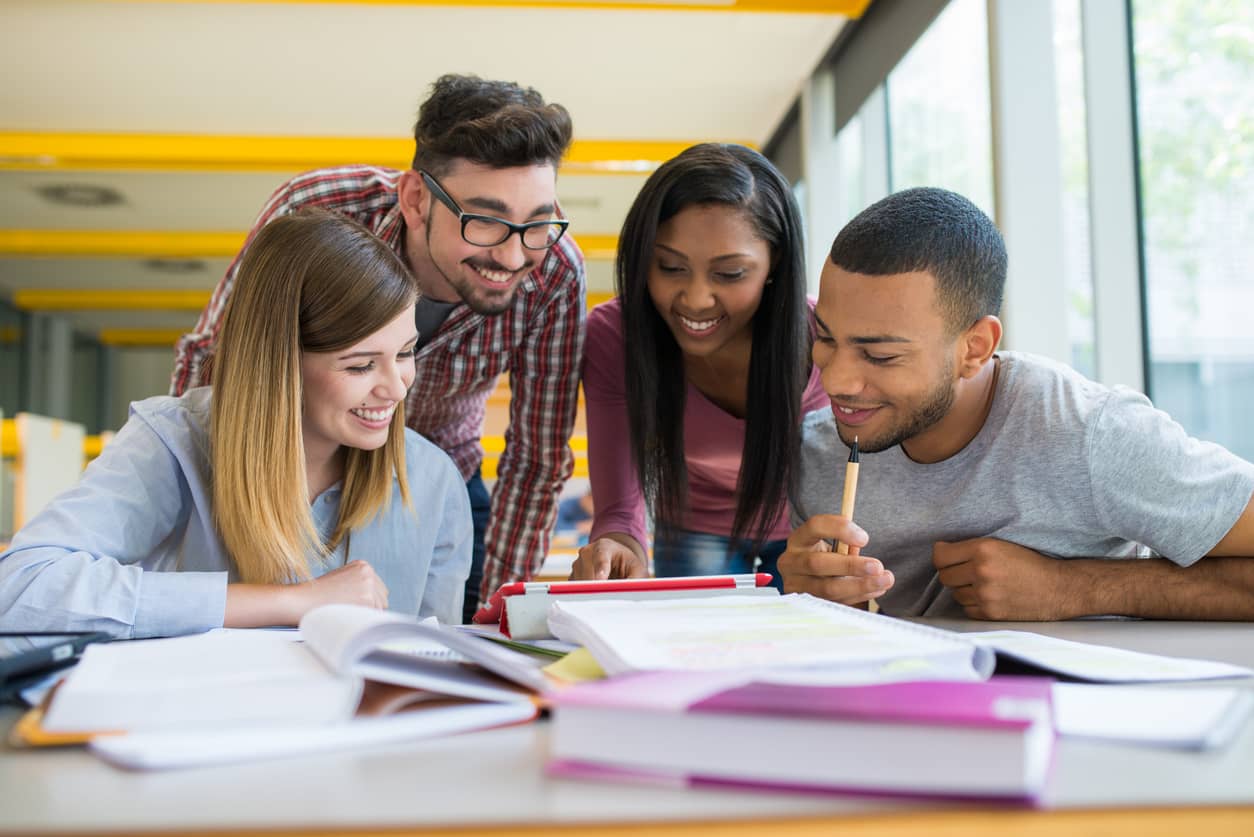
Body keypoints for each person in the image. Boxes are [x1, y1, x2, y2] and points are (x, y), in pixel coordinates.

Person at [170, 74, 586, 622]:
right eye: (485, 222)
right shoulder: (320, 210)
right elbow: (218, 359)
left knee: (452, 643)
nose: (512, 257)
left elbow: (535, 458)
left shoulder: (553, 271)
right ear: (416, 199)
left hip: (440, 482)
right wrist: (193, 492)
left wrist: (500, 610)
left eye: (535, 224)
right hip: (288, 474)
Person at [782, 187, 1254, 620]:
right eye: (824, 337)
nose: (837, 379)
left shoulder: (1090, 434)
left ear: (975, 349)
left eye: (881, 355)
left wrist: (1078, 588)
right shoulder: (816, 454)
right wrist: (804, 603)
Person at [0, 211, 472, 637]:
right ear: (279, 365)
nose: (396, 387)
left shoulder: (433, 480)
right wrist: (290, 602)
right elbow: (20, 587)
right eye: (360, 366)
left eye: (405, 353)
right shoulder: (174, 441)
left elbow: (435, 667)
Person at [570, 144, 827, 588]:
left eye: (729, 274)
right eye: (670, 267)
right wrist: (620, 545)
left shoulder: (825, 336)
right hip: (694, 527)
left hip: (811, 529)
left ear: (775, 261)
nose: (695, 298)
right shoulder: (616, 336)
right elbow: (618, 507)